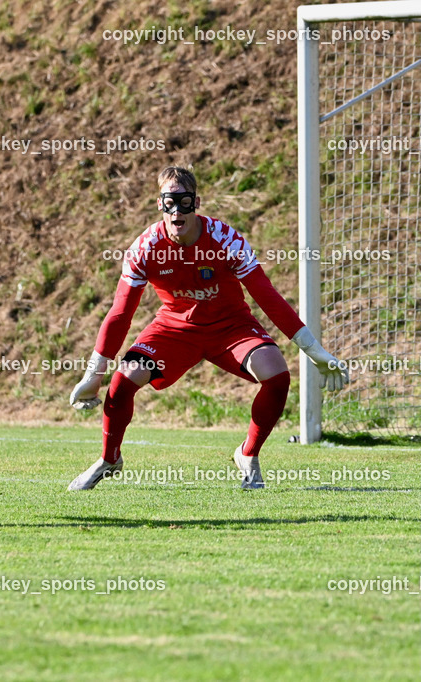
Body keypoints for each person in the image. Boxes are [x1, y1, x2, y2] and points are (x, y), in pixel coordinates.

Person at [68, 166, 348, 490]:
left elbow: (268, 297)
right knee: (122, 381)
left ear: (196, 203)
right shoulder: (145, 248)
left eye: (184, 202)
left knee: (277, 375)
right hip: (174, 328)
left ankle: (248, 453)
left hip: (231, 325)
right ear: (159, 204)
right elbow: (120, 313)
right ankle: (109, 459)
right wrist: (93, 374)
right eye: (169, 202)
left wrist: (314, 351)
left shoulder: (225, 239)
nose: (177, 211)